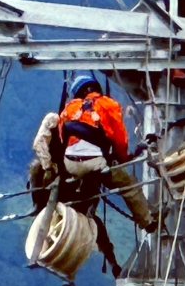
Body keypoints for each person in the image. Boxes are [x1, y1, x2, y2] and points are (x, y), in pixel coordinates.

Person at [56, 75, 155, 232]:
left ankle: (74, 211)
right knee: (128, 186)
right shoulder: (107, 104)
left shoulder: (69, 109)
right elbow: (120, 139)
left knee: (85, 176)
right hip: (95, 162)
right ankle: (148, 222)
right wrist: (122, 158)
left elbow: (62, 138)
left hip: (70, 164)